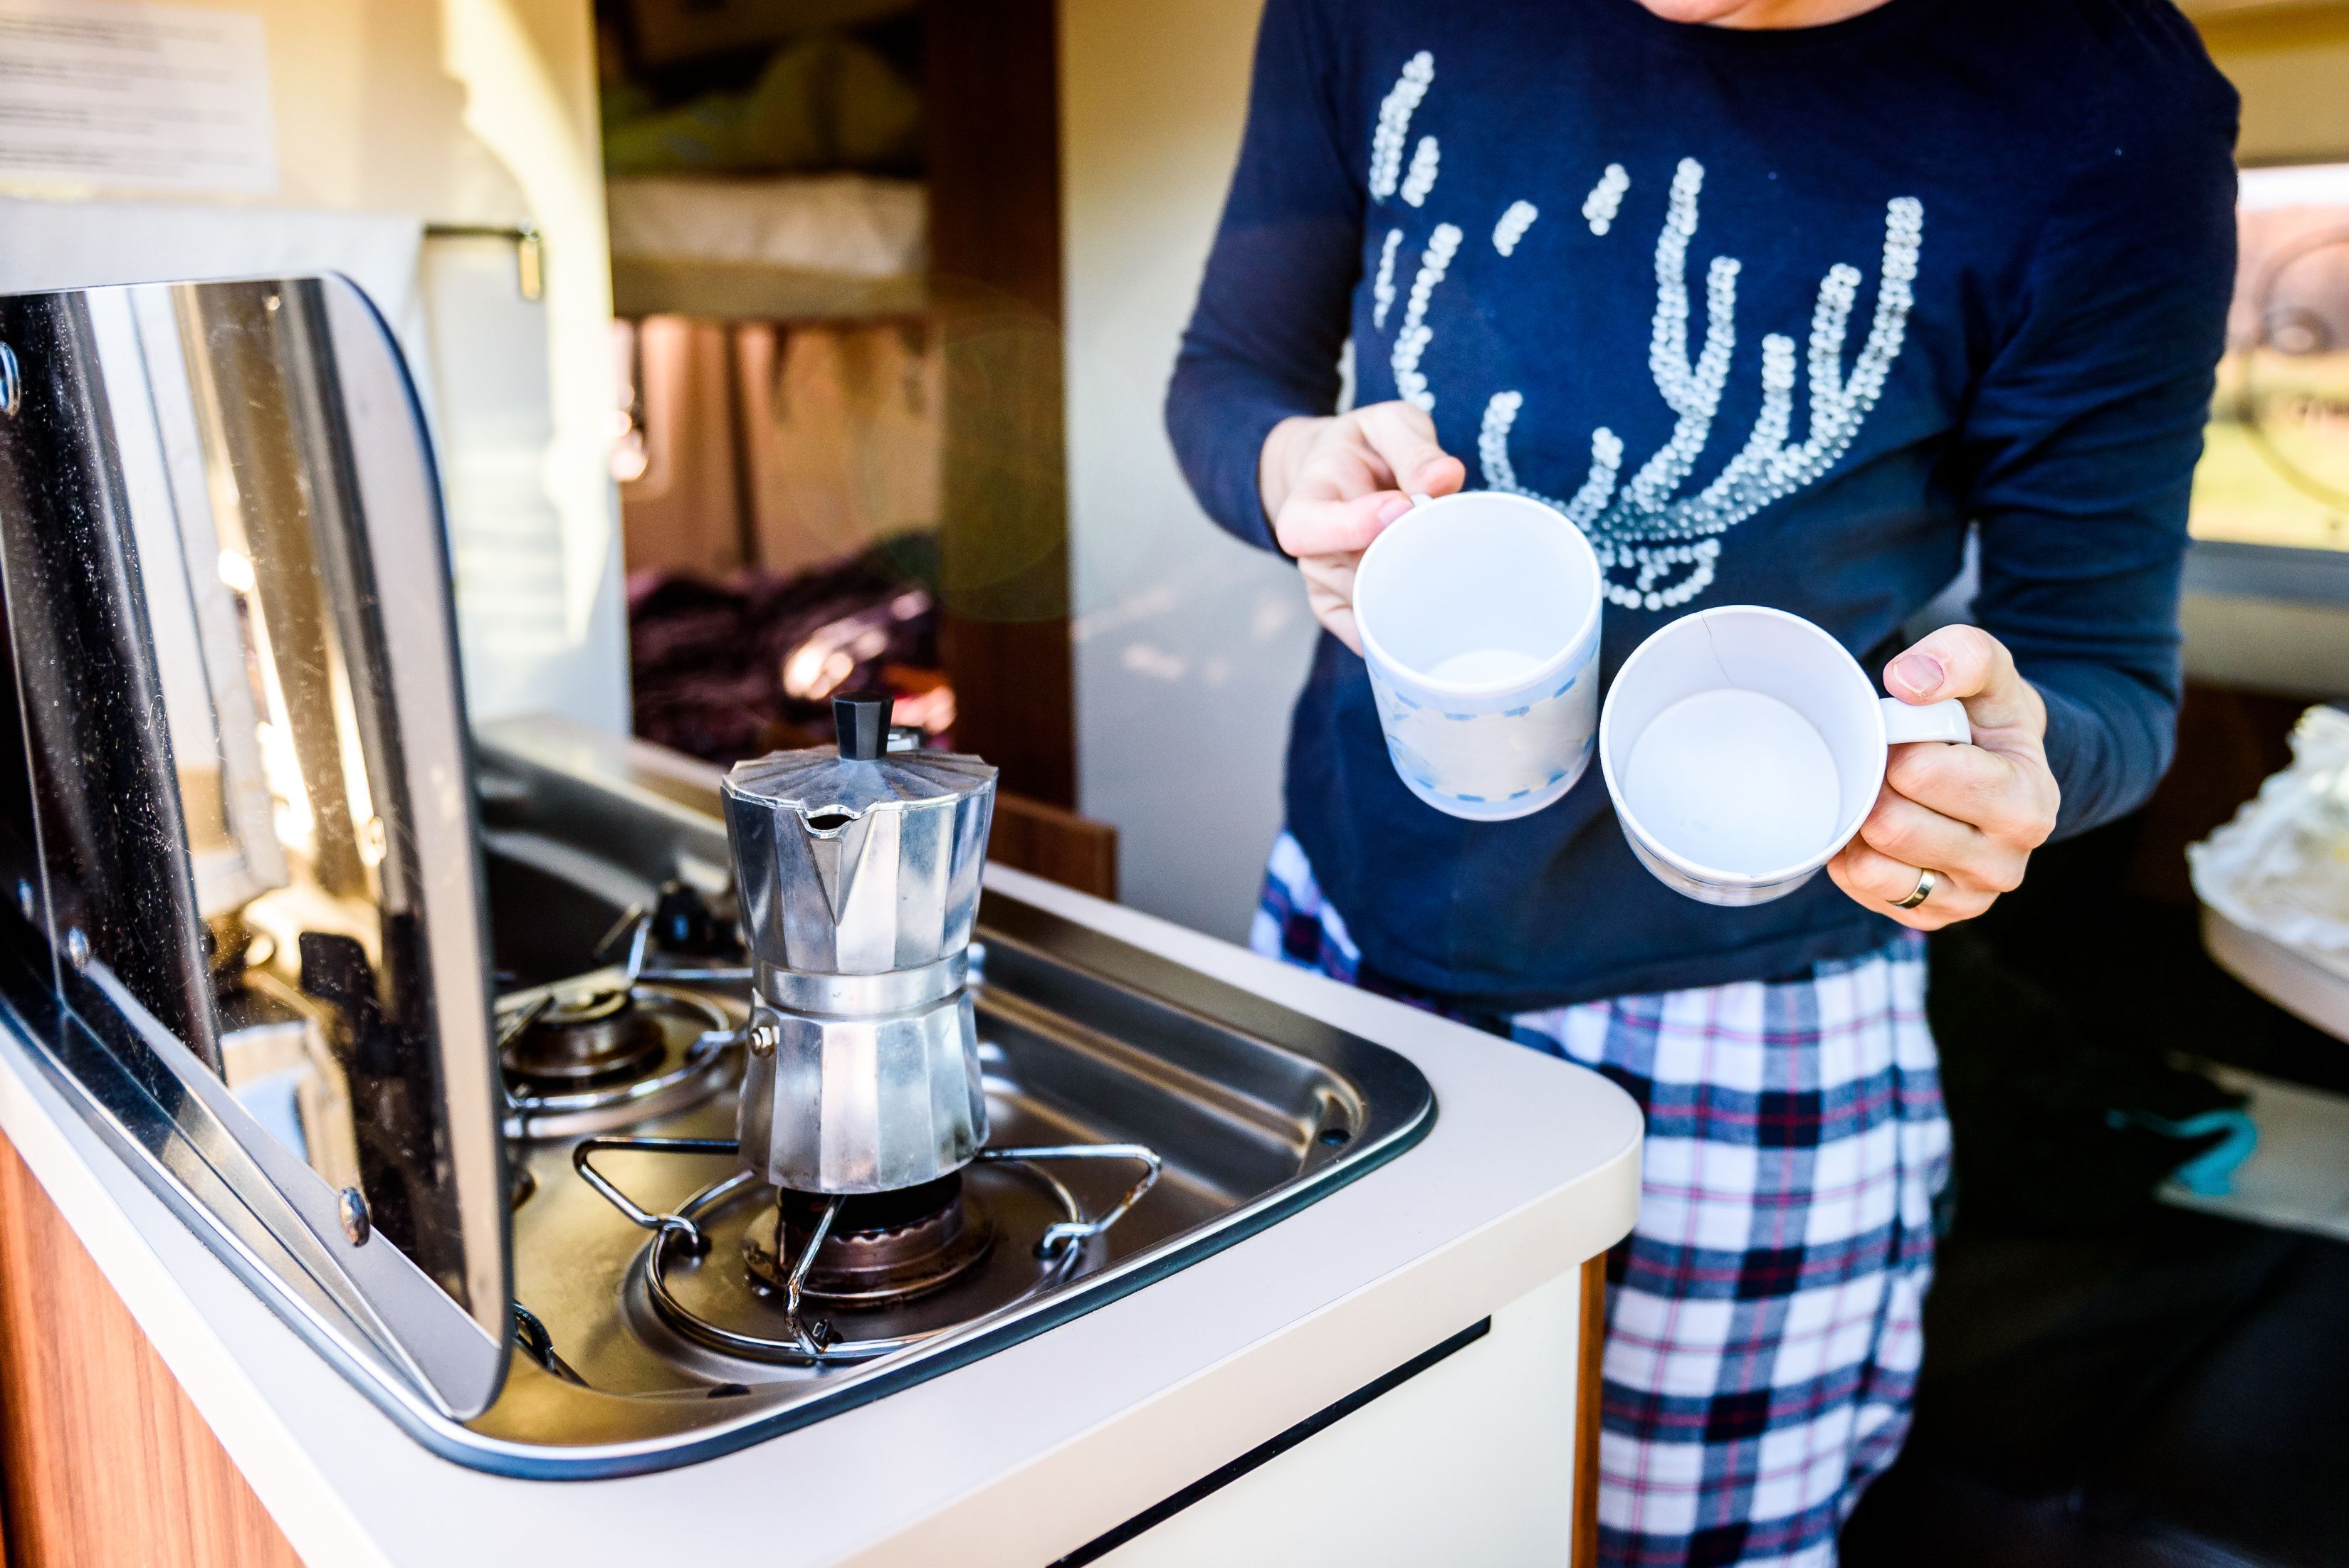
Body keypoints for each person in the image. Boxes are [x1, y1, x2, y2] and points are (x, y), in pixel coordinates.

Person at [1165, 0, 2239, 1562]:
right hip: (1340, 936)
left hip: (1757, 1014)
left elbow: (2104, 671)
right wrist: (1287, 473)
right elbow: (1228, 374)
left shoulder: (2104, 109)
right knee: (1319, 1510)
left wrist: (2018, 764)